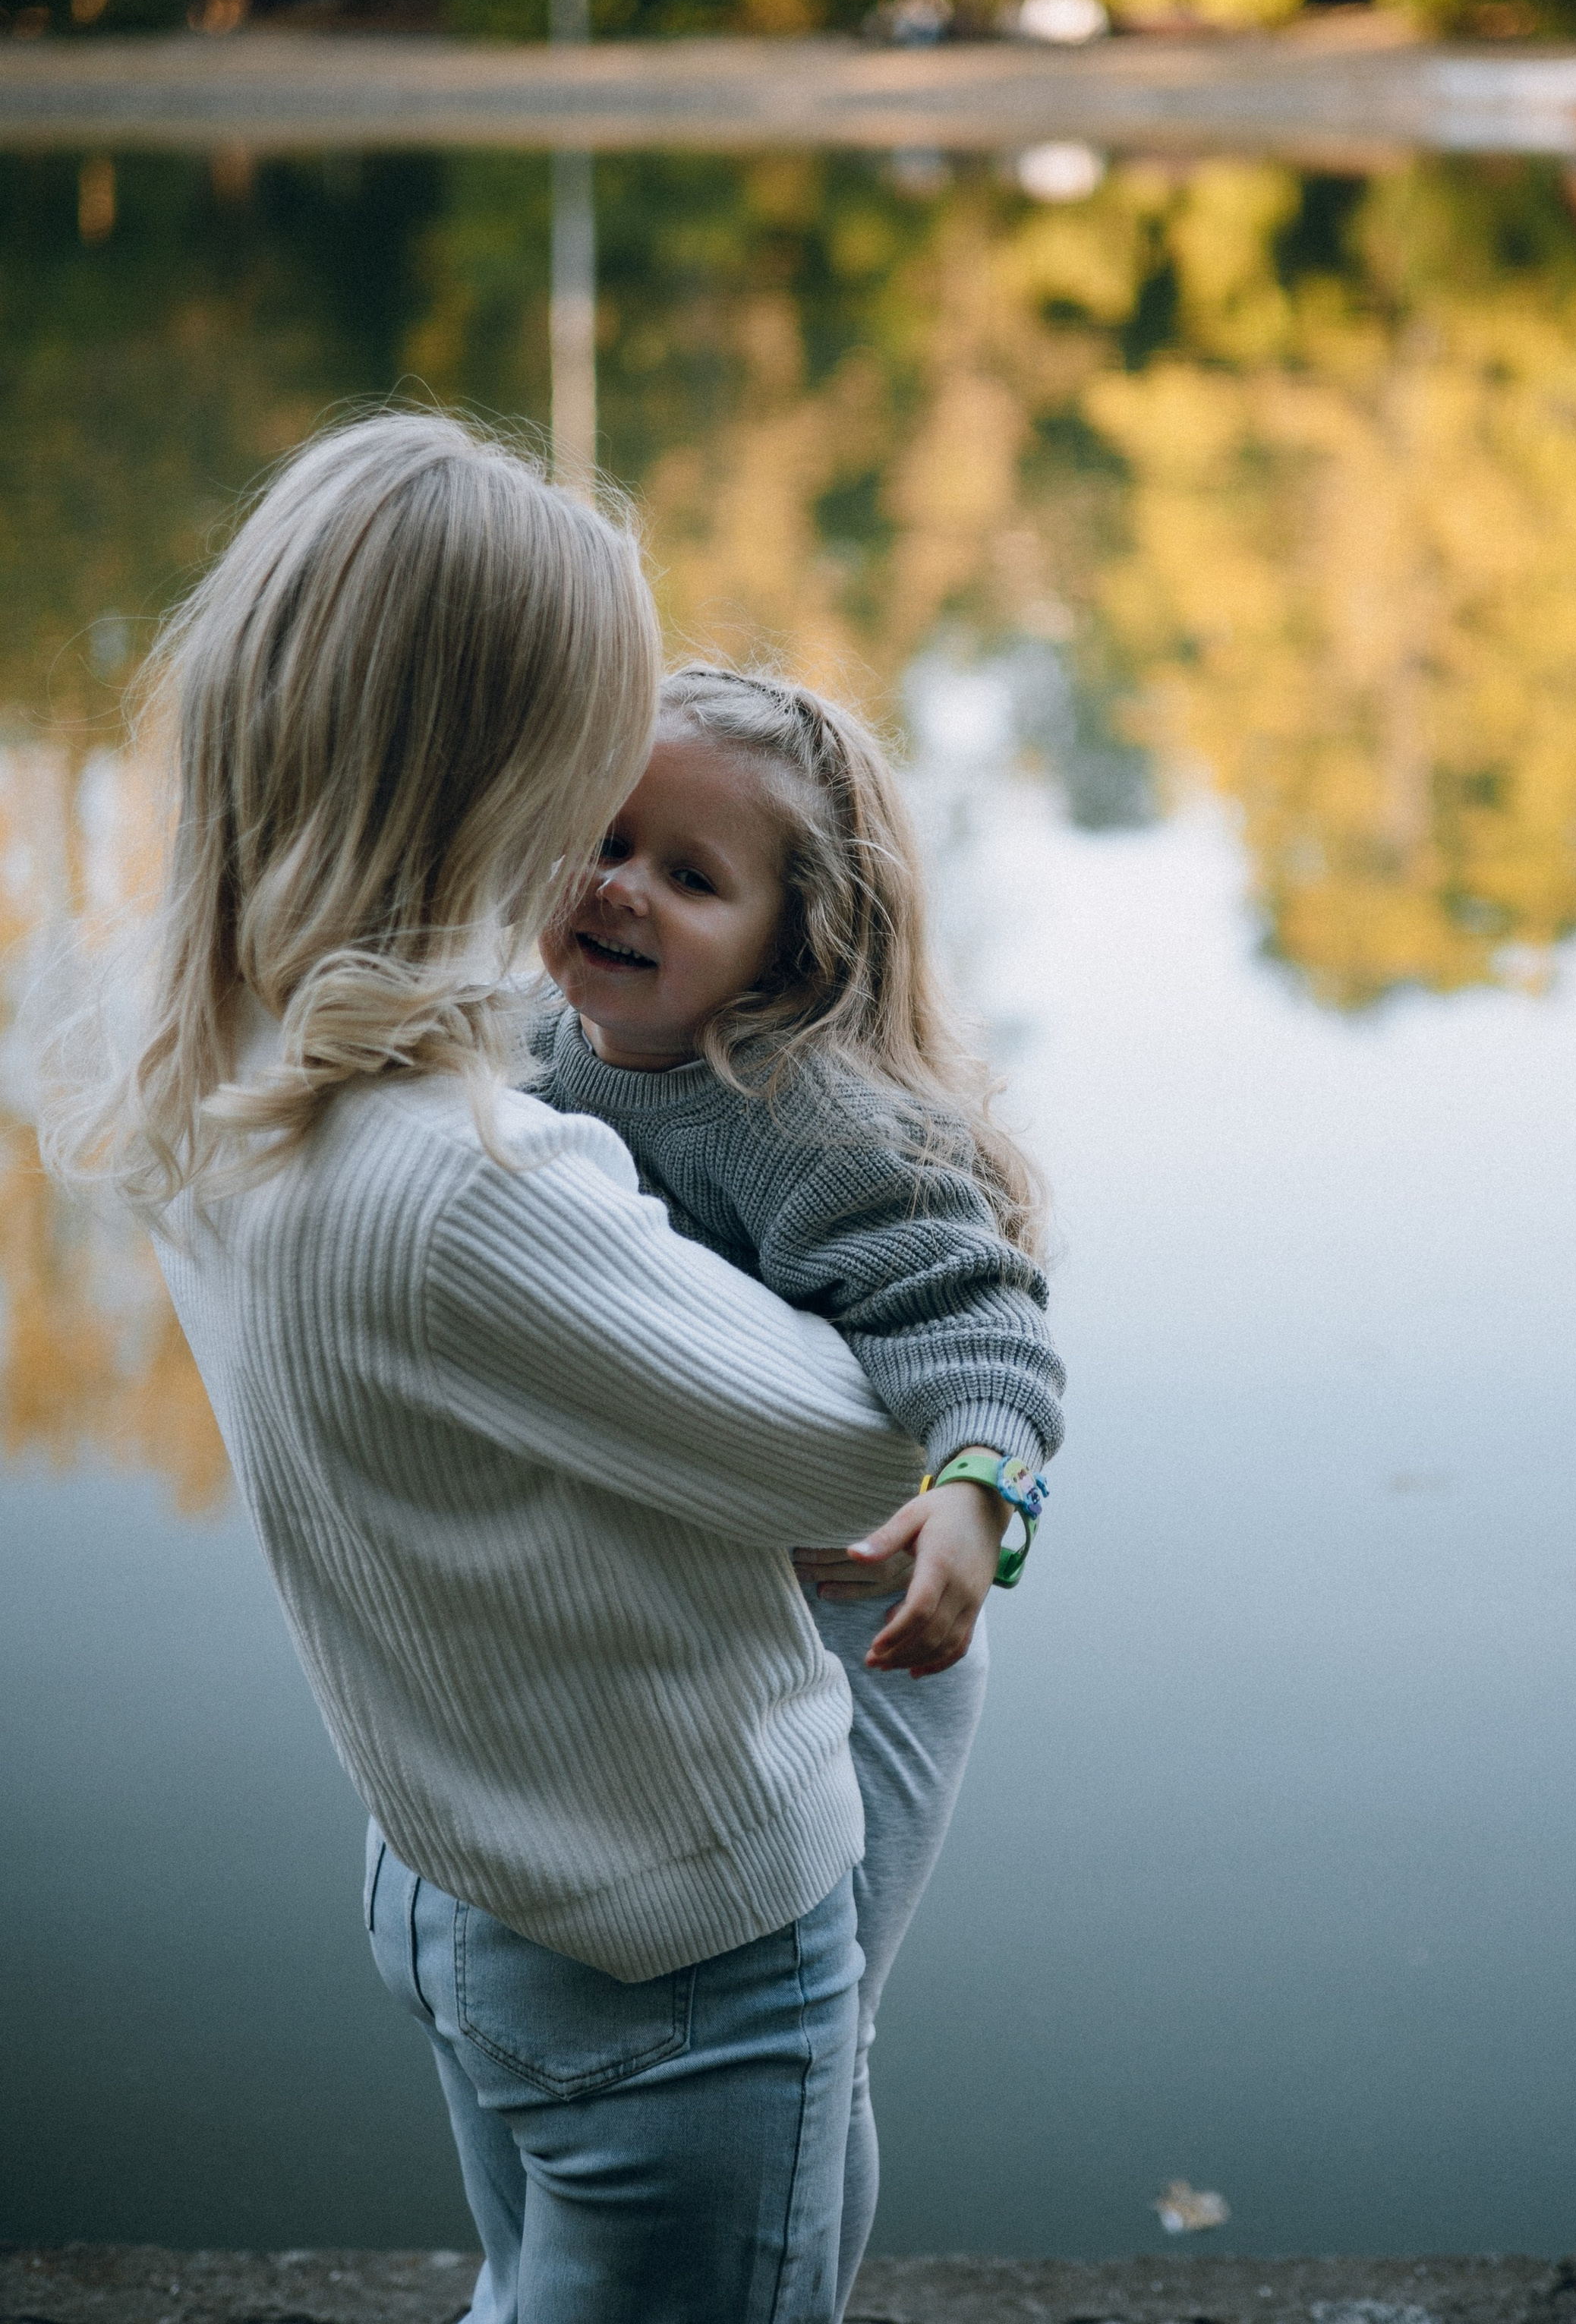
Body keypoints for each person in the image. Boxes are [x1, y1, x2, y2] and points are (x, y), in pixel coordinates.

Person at [51, 413, 938, 2324]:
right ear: (502, 774)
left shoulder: (203, 1042)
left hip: (465, 1859)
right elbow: (863, 1451)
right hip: (669, 1957)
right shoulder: (465, 1187)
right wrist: (830, 1177)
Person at [531, 664, 1064, 2309]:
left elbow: (968, 1309)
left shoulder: (795, 1108)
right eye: (603, 839)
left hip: (867, 1636)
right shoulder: (529, 1041)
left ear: (789, 942)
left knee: (808, 2021)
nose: (620, 887)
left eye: (690, 877)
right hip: (696, 1614)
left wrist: (978, 1496)